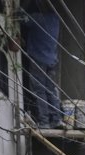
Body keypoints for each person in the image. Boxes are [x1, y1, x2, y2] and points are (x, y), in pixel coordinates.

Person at [21, 0, 62, 128]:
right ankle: (56, 119)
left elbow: (22, 19)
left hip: (38, 59)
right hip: (51, 61)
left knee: (39, 91)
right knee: (50, 90)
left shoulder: (38, 19)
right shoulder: (56, 20)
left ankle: (44, 122)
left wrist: (20, 10)